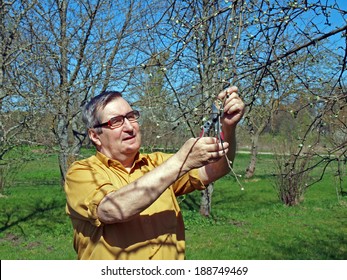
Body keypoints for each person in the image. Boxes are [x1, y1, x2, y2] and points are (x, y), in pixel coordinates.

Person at [64, 86, 245, 260]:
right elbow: (112, 210)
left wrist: (228, 128)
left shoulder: (158, 164)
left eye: (131, 116)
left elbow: (216, 169)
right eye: (116, 121)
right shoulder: (81, 172)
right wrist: (181, 161)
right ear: (95, 135)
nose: (129, 127)